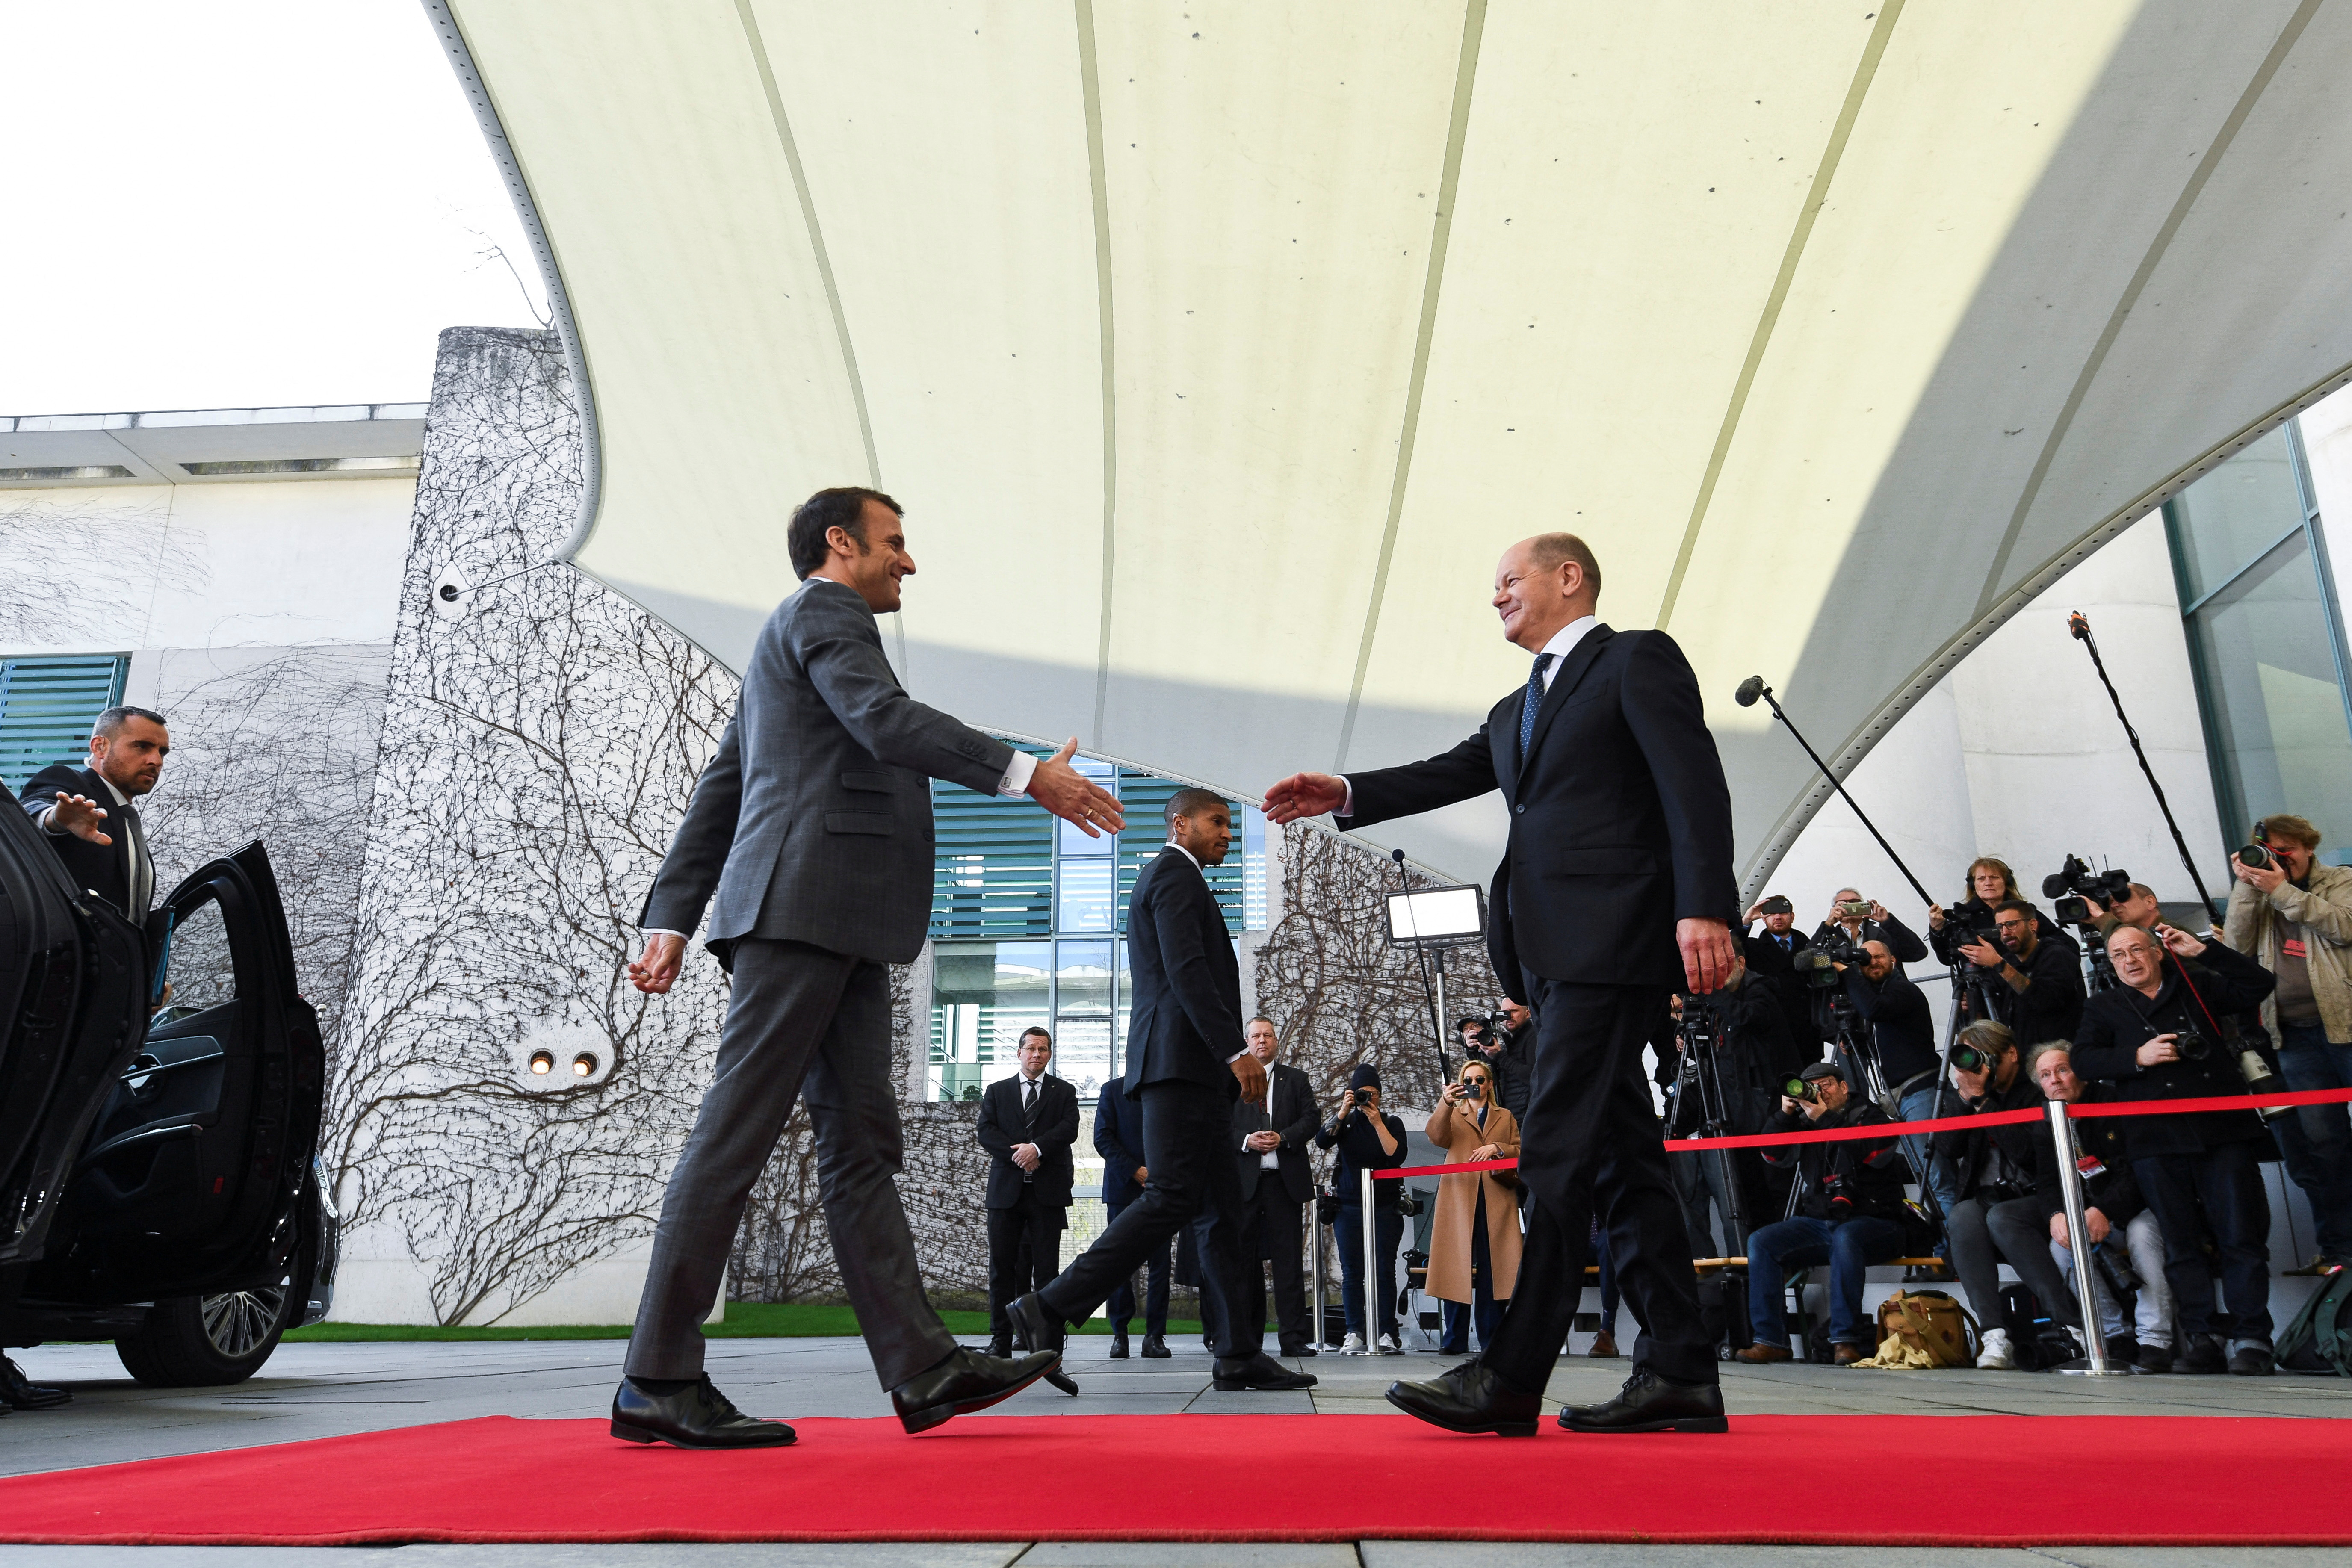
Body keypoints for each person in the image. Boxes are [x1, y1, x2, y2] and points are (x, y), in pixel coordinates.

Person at [616, 486, 1121, 1447]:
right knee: (734, 1133)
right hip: (801, 912)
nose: (909, 562)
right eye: (896, 542)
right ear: (841, 543)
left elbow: (725, 786)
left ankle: (924, 1367)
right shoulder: (825, 614)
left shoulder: (795, 642)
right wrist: (1026, 775)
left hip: (834, 919)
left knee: (860, 1147)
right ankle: (657, 1375)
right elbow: (884, 722)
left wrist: (673, 918)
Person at [1266, 529, 1737, 1436]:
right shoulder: (1517, 707)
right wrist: (1346, 791)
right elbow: (1448, 772)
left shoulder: (1634, 660)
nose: (1495, 597)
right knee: (1620, 1160)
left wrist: (1704, 906)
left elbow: (1694, 786)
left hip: (1613, 942)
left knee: (1554, 1151)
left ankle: (1512, 1374)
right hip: (1550, 959)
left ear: (1570, 577)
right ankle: (1680, 1371)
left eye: (1509, 580)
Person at [1007, 793, 1315, 1395]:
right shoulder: (1173, 873)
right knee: (1173, 1196)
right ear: (1180, 823)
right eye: (1217, 821)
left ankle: (1237, 1353)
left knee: (1223, 1216)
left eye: (1230, 823)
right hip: (1178, 1067)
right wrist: (1235, 1051)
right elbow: (1186, 968)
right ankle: (1049, 1305)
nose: (1228, 833)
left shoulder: (1181, 877)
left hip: (1195, 1071)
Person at [2072, 923, 2280, 1376]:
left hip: (2221, 1131)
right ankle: (2203, 1337)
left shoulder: (2196, 982)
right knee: (2181, 1244)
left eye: (2137, 949)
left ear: (2157, 952)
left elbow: (2259, 984)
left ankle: (2252, 1339)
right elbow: (2083, 1060)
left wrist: (2205, 951)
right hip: (2154, 1140)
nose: (2129, 960)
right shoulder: (2103, 1005)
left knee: (2240, 1237)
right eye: (2118, 954)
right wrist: (2136, 1057)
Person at [2222, 815, 2352, 1269]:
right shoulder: (2258, 892)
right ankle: (2342, 1247)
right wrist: (2246, 886)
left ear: (2308, 848)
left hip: (2346, 1027)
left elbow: (2343, 925)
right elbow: (2235, 948)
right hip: (2293, 1036)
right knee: (2325, 1145)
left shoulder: (2340, 881)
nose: (2279, 860)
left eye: (2287, 851)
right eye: (2270, 853)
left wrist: (2280, 889)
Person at [1932, 1021, 2088, 1369]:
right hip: (1993, 1198)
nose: (1981, 1068)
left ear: (2012, 1054)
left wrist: (1984, 1102)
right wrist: (1965, 1099)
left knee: (2002, 1218)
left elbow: (2026, 1154)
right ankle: (1994, 1333)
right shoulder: (1972, 1095)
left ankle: (2072, 1324)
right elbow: (1947, 1147)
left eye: (1987, 1058)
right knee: (1962, 1215)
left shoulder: (2037, 1089)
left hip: (2044, 1197)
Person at [1734, 1061, 1911, 1366]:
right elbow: (1772, 1156)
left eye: (1826, 1085)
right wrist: (1784, 1115)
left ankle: (1844, 1340)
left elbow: (1877, 1154)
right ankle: (1771, 1341)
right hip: (1822, 1222)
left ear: (1844, 1087)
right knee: (1762, 1241)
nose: (1820, 1093)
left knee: (1846, 1237)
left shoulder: (1869, 1115)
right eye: (1812, 1088)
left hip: (1878, 1222)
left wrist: (1827, 1121)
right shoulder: (1805, 1123)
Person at [2026, 1042, 2176, 1372]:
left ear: (2081, 1071)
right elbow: (2048, 1181)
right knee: (2061, 1246)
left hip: (2138, 1208)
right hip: (2090, 1216)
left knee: (2142, 1235)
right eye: (2045, 1075)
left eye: (2062, 1070)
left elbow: (2138, 1172)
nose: (2055, 1080)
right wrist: (2056, 1215)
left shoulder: (2111, 1100)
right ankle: (2114, 1335)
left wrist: (2104, 1210)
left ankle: (2155, 1340)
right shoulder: (2045, 1120)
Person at [975, 1027, 1080, 1395]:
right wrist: (1020, 1154)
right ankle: (1001, 1342)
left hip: (1047, 1194)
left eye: (1043, 1049)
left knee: (1047, 1272)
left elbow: (1069, 1129)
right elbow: (986, 1131)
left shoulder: (1064, 1091)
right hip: (1006, 1194)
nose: (1037, 1054)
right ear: (1019, 1052)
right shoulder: (997, 1091)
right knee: (1001, 1269)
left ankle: (1048, 1347)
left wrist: (1037, 1148)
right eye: (1031, 1048)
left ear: (1049, 1054)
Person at [1841, 939, 1955, 1226]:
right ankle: (1943, 1243)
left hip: (1922, 1092)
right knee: (1926, 1177)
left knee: (1937, 1178)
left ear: (1894, 960)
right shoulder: (1879, 995)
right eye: (1865, 959)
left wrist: (1848, 973)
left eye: (1879, 956)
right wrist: (1854, 1040)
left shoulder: (1902, 990)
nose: (1873, 962)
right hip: (1903, 1095)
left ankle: (1955, 1247)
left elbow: (1874, 1010)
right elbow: (1885, 1044)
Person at [21, 705, 171, 921]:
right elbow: (31, 809)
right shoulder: (70, 783)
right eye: (142, 746)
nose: (156, 761)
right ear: (100, 747)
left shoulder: (127, 821)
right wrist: (55, 819)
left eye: (162, 752)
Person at [1232, 1015, 1321, 1356]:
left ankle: (1293, 1339)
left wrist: (1283, 1137)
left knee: (1289, 1264)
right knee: (1244, 1265)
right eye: (1256, 1036)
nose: (1262, 1041)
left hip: (1284, 1185)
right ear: (1247, 1042)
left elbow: (1312, 1119)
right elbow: (1218, 1124)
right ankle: (1247, 1340)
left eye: (1268, 1035)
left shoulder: (1295, 1079)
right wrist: (1246, 1140)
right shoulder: (1233, 1080)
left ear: (1276, 1041)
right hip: (1244, 1187)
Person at [1426, 1060, 1522, 1355]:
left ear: (1490, 1084)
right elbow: (1436, 1136)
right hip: (1459, 1198)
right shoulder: (1454, 1113)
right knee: (1456, 1265)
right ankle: (1454, 1337)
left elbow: (1521, 1151)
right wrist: (1445, 1102)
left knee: (1495, 1268)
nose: (1474, 1084)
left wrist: (1498, 1148)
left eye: (1480, 1079)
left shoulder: (1505, 1116)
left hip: (1496, 1198)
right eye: (1468, 1080)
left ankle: (1491, 1339)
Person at [1317, 1064, 1408, 1353]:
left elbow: (1396, 1155)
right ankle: (1354, 1330)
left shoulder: (1391, 1122)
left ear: (1380, 1095)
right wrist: (1343, 1111)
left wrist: (1378, 1123)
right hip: (1349, 1207)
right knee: (1352, 1271)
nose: (1367, 1099)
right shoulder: (1346, 1122)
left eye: (1372, 1093)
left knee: (1384, 1270)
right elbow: (1322, 1141)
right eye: (1361, 1093)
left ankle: (1386, 1332)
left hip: (1384, 1206)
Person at [1093, 1073, 1171, 1358]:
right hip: (1122, 1190)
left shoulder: (1165, 1090)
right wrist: (1134, 1170)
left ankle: (1155, 1337)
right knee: (1118, 1264)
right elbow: (1102, 1138)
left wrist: (1159, 1173)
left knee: (1160, 1266)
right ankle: (1120, 1335)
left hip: (1161, 1188)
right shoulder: (1112, 1090)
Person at [1959, 899, 2084, 1048]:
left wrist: (1999, 965)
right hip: (2021, 1052)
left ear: (2033, 925)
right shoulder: (2009, 961)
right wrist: (1970, 1004)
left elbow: (2045, 1000)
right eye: (2000, 927)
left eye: (2012, 924)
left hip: (2059, 1051)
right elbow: (1992, 1005)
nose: (2006, 933)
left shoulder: (2057, 954)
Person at [1742, 893, 1820, 1055]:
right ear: (1764, 919)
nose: (1778, 917)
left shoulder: (1809, 946)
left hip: (1807, 1031)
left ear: (1792, 917)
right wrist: (1747, 921)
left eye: (1783, 913)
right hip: (1771, 1031)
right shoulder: (1753, 947)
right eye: (1771, 913)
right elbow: (1730, 949)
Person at [1813, 888, 1927, 965]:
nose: (1849, 906)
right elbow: (1808, 961)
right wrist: (1828, 924)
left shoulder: (1883, 934)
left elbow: (1918, 953)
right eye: (1842, 904)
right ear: (1834, 909)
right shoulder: (1828, 938)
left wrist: (1888, 922)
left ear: (1864, 906)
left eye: (1855, 902)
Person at [1472, 1004, 1536, 1122]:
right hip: (1512, 1114)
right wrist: (1476, 1050)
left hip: (1530, 1116)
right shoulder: (1509, 1043)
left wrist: (1499, 1056)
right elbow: (1493, 1077)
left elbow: (1533, 1076)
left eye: (1514, 1011)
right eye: (1504, 1013)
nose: (1509, 1016)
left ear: (1528, 1014)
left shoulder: (1534, 1036)